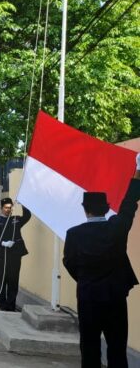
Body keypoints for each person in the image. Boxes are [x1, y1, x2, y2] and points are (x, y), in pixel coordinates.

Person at [63, 155, 140, 368]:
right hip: (115, 296)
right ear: (106, 209)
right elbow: (129, 204)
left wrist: (87, 278)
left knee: (89, 348)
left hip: (88, 296)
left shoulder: (74, 234)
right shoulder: (116, 228)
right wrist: (138, 172)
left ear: (85, 209)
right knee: (117, 348)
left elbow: (69, 262)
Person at [0, 198, 31, 311]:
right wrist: (2, 243)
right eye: (6, 208)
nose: (8, 210)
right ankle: (2, 305)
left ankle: (11, 305)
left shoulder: (15, 220)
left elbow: (27, 216)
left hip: (14, 255)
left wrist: (23, 203)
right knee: (1, 280)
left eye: (10, 207)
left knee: (13, 281)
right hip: (2, 255)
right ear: (2, 208)